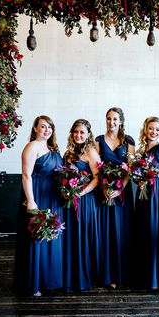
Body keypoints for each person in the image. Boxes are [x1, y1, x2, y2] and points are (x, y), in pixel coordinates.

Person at [14, 115, 64, 296]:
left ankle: (48, 281)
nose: (47, 130)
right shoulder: (31, 146)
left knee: (50, 239)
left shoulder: (51, 148)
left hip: (53, 198)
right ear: (35, 128)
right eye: (43, 126)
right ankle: (32, 283)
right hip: (38, 196)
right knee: (36, 239)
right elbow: (26, 176)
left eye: (49, 127)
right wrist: (31, 201)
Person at [95, 107, 135, 289]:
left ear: (121, 121)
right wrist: (104, 188)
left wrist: (119, 190)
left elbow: (131, 167)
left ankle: (124, 274)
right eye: (108, 119)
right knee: (106, 232)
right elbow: (96, 168)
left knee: (122, 232)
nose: (111, 122)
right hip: (103, 192)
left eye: (115, 119)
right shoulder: (98, 141)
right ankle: (107, 275)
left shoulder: (128, 141)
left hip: (123, 193)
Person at [133, 117, 159, 290]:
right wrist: (138, 180)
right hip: (143, 196)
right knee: (144, 232)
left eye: (157, 129)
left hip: (158, 195)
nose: (153, 132)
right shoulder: (141, 150)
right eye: (151, 128)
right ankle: (145, 275)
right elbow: (136, 174)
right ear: (145, 130)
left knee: (157, 232)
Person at [62, 119, 101, 291]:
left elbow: (97, 178)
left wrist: (81, 192)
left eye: (82, 132)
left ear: (88, 135)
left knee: (82, 235)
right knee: (71, 236)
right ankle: (70, 275)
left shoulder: (91, 151)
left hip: (85, 200)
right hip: (69, 201)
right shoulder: (68, 152)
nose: (78, 135)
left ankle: (84, 276)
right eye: (76, 132)